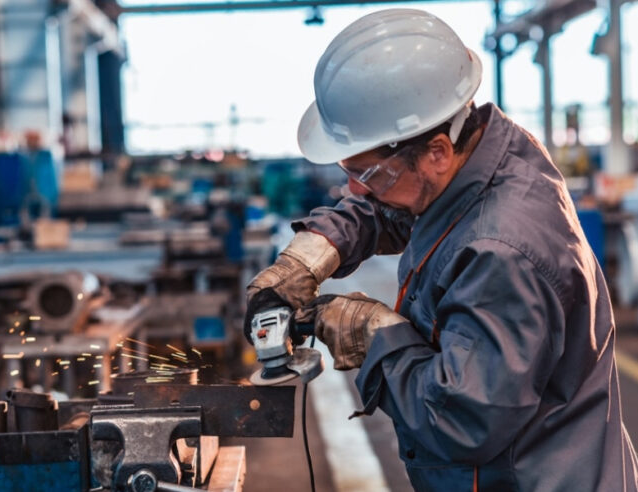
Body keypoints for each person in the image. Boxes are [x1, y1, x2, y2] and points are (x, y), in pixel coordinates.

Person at [244, 8, 638, 491]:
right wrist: (308, 255)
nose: (354, 190)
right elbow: (388, 206)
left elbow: (459, 419)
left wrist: (373, 335)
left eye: (365, 174)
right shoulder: (479, 155)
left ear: (436, 150)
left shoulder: (502, 253)